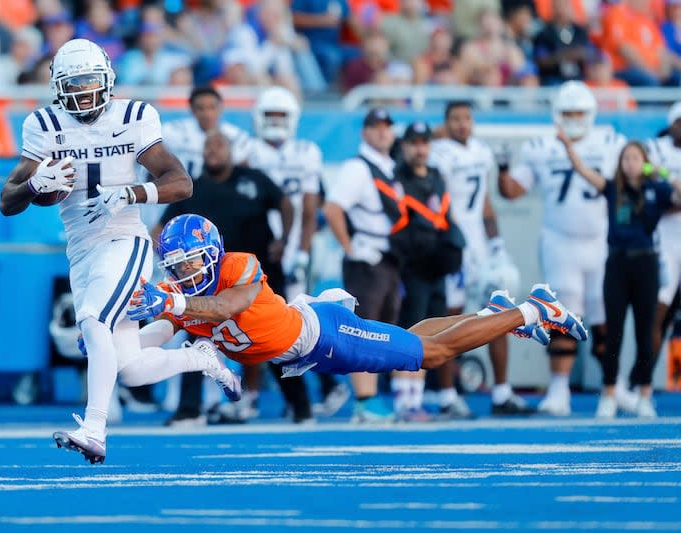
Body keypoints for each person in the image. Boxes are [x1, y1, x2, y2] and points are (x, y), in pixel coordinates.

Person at [0, 39, 232, 465]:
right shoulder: (44, 124)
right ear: (57, 86)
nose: (84, 92)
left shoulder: (134, 115)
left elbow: (181, 182)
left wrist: (131, 192)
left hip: (125, 239)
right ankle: (199, 357)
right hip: (81, 248)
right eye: (74, 84)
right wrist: (35, 186)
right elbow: (8, 200)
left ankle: (94, 429)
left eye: (90, 82)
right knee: (131, 368)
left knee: (91, 319)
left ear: (106, 80)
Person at [126, 214, 588, 424]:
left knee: (429, 355)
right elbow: (157, 333)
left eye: (191, 262)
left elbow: (225, 307)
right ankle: (492, 313)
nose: (185, 273)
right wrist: (116, 343)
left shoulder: (235, 267)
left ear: (211, 253)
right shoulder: (182, 297)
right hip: (314, 354)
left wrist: (173, 305)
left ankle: (533, 309)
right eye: (177, 267)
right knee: (410, 340)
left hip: (325, 334)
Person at [157, 130, 314, 425]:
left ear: (231, 150)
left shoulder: (253, 178)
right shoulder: (193, 188)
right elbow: (164, 227)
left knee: (275, 338)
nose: (212, 150)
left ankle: (300, 405)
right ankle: (190, 409)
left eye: (218, 145)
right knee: (195, 334)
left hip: (256, 276)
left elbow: (286, 203)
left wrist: (282, 239)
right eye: (207, 146)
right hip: (206, 280)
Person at [498, 80, 629, 416]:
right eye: (567, 112)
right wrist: (501, 170)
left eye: (579, 112)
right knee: (561, 313)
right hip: (560, 240)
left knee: (605, 316)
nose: (573, 118)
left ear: (591, 114)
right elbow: (514, 191)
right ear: (556, 114)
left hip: (601, 241)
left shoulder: (612, 142)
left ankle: (614, 387)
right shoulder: (541, 146)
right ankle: (559, 390)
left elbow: (628, 189)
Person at [559, 135, 681, 418]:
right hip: (617, 263)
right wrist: (568, 147)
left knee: (645, 329)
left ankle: (645, 393)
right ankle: (610, 390)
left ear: (645, 163)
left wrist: (664, 173)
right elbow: (583, 172)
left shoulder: (656, 189)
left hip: (646, 263)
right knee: (613, 331)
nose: (630, 164)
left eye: (636, 158)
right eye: (626, 158)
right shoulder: (614, 189)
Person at [246, 86, 349, 419]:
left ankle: (328, 386)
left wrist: (301, 252)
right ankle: (257, 395)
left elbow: (308, 208)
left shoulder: (306, 151)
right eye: (270, 115)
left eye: (281, 115)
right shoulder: (247, 151)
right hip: (258, 247)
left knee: (297, 325)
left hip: (291, 250)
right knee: (256, 323)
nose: (275, 122)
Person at [428, 101, 533, 418]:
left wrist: (496, 242)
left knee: (497, 313)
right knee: (452, 315)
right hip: (453, 242)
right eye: (455, 119)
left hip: (480, 244)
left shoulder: (480, 151)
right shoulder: (439, 152)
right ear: (446, 123)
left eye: (467, 118)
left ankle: (502, 391)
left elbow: (485, 203)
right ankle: (447, 395)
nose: (462, 124)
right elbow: (437, 201)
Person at [322, 107, 402, 423]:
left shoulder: (389, 166)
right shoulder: (358, 167)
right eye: (375, 126)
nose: (382, 131)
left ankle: (372, 396)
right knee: (363, 329)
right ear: (364, 132)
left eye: (387, 126)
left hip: (387, 257)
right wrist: (351, 247)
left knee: (381, 328)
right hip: (366, 259)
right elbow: (332, 209)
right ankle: (364, 399)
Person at [645, 102, 681, 371]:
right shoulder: (655, 149)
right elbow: (646, 175)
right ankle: (641, 380)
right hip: (666, 239)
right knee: (657, 314)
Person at [162, 85, 252, 180]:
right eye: (201, 108)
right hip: (184, 190)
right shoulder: (172, 131)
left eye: (212, 107)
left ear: (221, 107)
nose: (207, 114)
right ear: (192, 110)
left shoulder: (236, 136)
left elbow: (242, 170)